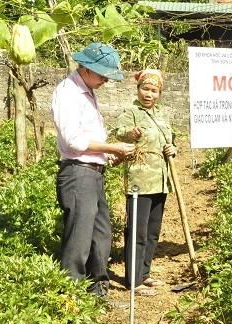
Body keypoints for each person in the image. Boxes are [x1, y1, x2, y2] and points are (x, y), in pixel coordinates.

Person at [52, 42, 135, 297]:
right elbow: (74, 142)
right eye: (102, 75)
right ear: (87, 69)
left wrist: (108, 157)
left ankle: (98, 292)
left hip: (92, 172)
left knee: (100, 235)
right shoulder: (67, 94)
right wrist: (112, 148)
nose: (105, 82)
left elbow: (88, 141)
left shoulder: (86, 91)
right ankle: (72, 298)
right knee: (79, 238)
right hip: (78, 175)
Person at [113, 69, 176, 296]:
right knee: (137, 232)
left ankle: (145, 274)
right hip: (139, 179)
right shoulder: (130, 112)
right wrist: (132, 133)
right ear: (138, 89)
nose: (149, 94)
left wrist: (173, 148)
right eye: (145, 89)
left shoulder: (162, 115)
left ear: (159, 93)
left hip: (160, 180)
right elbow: (118, 132)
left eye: (153, 90)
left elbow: (171, 139)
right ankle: (133, 280)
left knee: (152, 231)